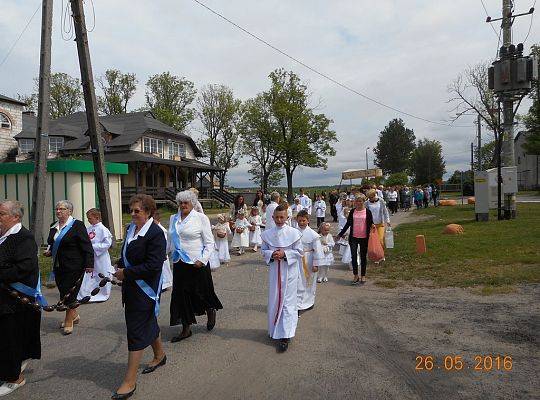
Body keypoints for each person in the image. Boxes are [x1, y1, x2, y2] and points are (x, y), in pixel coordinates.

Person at [112, 194, 167, 399]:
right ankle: (160, 355)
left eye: (137, 211)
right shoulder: (131, 229)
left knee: (135, 330)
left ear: (149, 212)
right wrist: (120, 263)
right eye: (131, 210)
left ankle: (129, 381)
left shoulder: (155, 233)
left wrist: (126, 273)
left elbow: (153, 265)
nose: (133, 214)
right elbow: (130, 253)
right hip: (131, 287)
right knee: (147, 321)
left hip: (146, 289)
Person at [168, 190, 222, 343]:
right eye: (181, 202)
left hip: (197, 263)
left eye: (186, 202)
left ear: (192, 203)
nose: (183, 205)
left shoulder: (200, 218)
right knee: (181, 295)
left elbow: (209, 242)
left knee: (201, 292)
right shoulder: (173, 218)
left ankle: (210, 309)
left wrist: (203, 259)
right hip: (179, 263)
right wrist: (161, 255)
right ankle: (186, 328)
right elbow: (170, 241)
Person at [0, 201, 41, 396]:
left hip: (14, 300)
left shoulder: (24, 238)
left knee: (10, 339)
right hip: (3, 297)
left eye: (1, 214)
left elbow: (24, 268)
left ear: (15, 217)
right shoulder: (3, 235)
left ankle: (14, 378)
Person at [45, 200, 93, 335]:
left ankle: (68, 320)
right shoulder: (53, 226)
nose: (58, 211)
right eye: (57, 209)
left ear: (69, 211)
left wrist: (89, 263)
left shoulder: (77, 225)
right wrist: (49, 251)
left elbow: (86, 245)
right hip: (58, 265)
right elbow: (51, 242)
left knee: (69, 293)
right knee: (63, 291)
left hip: (75, 265)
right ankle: (74, 315)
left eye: (62, 209)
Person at [261, 204, 303, 352]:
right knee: (274, 300)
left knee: (287, 302)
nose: (279, 220)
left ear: (287, 217)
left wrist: (285, 254)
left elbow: (299, 251)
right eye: (276, 217)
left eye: (282, 217)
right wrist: (271, 254)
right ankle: (275, 330)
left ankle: (286, 335)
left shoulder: (294, 233)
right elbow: (264, 251)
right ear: (272, 217)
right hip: (274, 271)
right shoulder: (267, 234)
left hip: (289, 272)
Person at [77, 208, 114, 302]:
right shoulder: (88, 228)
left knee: (101, 274)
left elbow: (107, 244)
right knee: (89, 275)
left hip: (100, 256)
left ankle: (103, 293)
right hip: (90, 256)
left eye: (90, 218)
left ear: (97, 217)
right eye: (88, 218)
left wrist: (92, 247)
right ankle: (87, 293)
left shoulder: (103, 229)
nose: (88, 220)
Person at [337, 194, 373, 285]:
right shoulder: (353, 211)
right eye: (357, 201)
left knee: (363, 257)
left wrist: (373, 227)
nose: (358, 203)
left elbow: (371, 224)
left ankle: (363, 275)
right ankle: (356, 275)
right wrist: (340, 234)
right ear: (355, 202)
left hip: (364, 237)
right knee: (353, 256)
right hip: (353, 237)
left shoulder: (367, 212)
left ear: (363, 201)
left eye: (360, 201)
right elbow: (348, 224)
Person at [296, 210, 323, 312]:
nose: (301, 223)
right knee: (298, 281)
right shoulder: (294, 231)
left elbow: (318, 250)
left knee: (309, 282)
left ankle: (309, 302)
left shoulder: (313, 234)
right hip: (297, 259)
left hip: (309, 260)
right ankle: (298, 303)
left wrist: (316, 264)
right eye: (299, 221)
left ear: (308, 221)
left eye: (303, 220)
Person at [153, 211, 173, 291]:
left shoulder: (161, 230)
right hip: (158, 253)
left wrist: (164, 252)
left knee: (163, 269)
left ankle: (164, 284)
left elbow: (166, 242)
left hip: (162, 253)